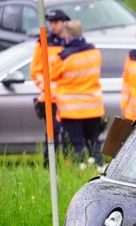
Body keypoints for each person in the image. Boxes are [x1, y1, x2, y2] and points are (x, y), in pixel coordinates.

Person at [50, 20, 105, 170]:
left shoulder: (64, 57)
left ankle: (79, 170)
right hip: (93, 108)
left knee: (77, 144)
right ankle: (99, 168)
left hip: (72, 110)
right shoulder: (95, 52)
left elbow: (52, 75)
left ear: (67, 35)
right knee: (94, 141)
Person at [31, 9, 69, 167]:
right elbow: (35, 71)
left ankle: (68, 166)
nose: (53, 25)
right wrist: (46, 88)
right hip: (50, 99)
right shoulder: (43, 42)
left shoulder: (71, 41)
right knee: (52, 135)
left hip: (68, 98)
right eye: (51, 22)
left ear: (64, 22)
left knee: (68, 135)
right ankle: (50, 166)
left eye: (56, 22)